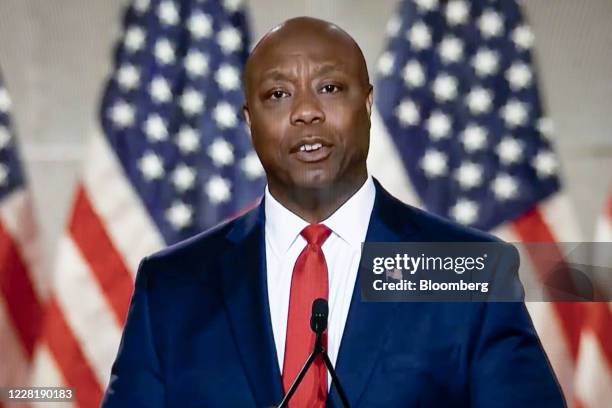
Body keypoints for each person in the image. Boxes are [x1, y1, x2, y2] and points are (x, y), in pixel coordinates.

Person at [102, 17, 565, 407]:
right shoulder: (172, 286)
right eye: (278, 95)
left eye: (329, 87)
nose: (306, 111)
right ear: (248, 121)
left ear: (366, 104)